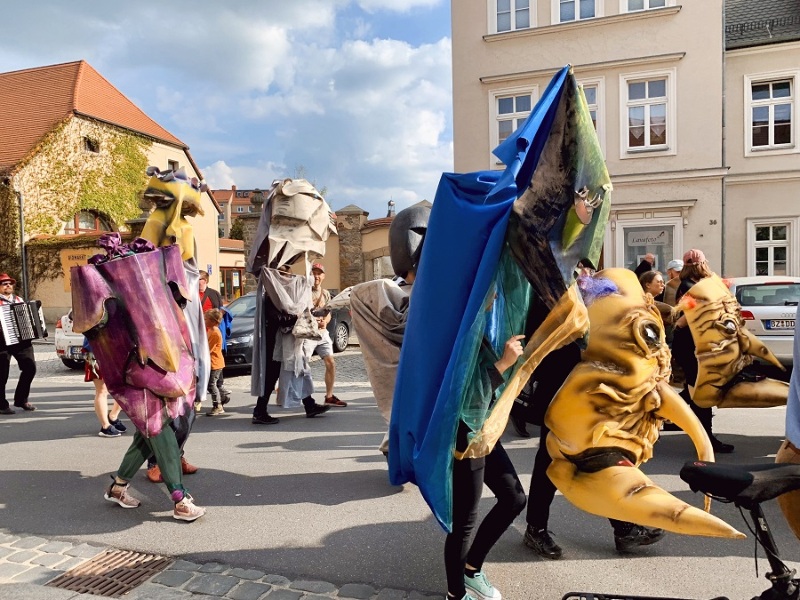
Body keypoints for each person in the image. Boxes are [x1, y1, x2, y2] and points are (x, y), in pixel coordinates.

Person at [445, 333, 527, 600]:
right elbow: (465, 396)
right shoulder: (460, 326)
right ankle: (455, 594)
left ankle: (471, 570)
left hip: (483, 431)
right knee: (464, 522)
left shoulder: (481, 321)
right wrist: (503, 364)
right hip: (464, 435)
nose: (494, 292)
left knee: (513, 498)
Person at [671, 248, 734, 454]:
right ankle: (706, 440)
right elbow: (687, 316)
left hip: (691, 344)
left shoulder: (691, 285)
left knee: (694, 390)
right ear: (701, 264)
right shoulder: (692, 287)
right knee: (701, 392)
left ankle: (667, 413)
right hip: (692, 346)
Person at [309, 263, 346, 407]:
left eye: (319, 273)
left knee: (330, 363)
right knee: (301, 366)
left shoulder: (325, 293)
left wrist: (324, 321)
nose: (316, 276)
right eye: (313, 273)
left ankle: (329, 396)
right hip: (308, 334)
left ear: (323, 276)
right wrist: (314, 322)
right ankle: (292, 394)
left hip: (323, 334)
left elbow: (328, 312)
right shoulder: (305, 292)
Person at [0, 273, 36, 414]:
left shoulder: (19, 300)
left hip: (21, 341)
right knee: (2, 374)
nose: (8, 285)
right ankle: (2, 405)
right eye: (4, 283)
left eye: (10, 283)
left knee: (30, 368)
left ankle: (21, 399)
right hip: (2, 343)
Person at [83, 336, 126, 437]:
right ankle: (105, 426)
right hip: (95, 351)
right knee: (102, 390)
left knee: (124, 388)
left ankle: (113, 417)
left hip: (117, 351)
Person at [204, 309, 226, 416]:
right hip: (214, 362)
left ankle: (218, 406)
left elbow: (209, 349)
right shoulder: (211, 330)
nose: (204, 321)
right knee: (213, 384)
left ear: (213, 321)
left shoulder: (215, 333)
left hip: (215, 363)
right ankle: (223, 397)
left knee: (211, 385)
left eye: (206, 319)